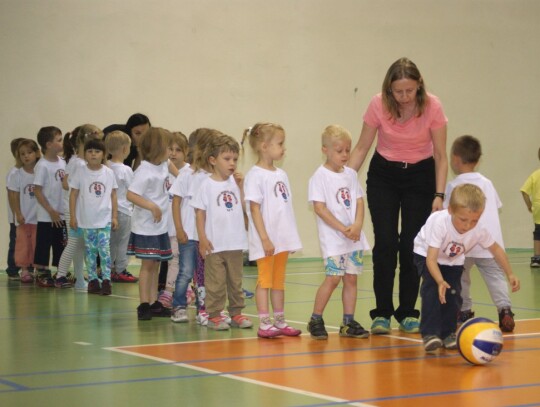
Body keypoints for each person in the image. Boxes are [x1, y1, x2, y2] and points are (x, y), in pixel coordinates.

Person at [348, 57, 448, 334]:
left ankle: (407, 311)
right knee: (386, 243)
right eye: (398, 91)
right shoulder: (378, 104)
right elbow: (361, 149)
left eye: (409, 90)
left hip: (421, 176)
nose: (404, 97)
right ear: (389, 90)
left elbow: (441, 155)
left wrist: (439, 194)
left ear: (419, 86)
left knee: (411, 246)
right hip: (384, 175)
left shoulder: (433, 107)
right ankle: (382, 312)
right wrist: (340, 182)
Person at [413, 184, 520, 352]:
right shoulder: (439, 222)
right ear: (450, 211)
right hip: (426, 255)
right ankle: (430, 334)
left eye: (474, 220)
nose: (468, 225)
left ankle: (448, 333)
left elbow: (496, 249)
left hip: (453, 260)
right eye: (463, 220)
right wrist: (440, 280)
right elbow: (431, 259)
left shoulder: (478, 229)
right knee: (432, 290)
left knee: (454, 294)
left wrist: (510, 273)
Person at [444, 135, 516, 332]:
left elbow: (447, 213)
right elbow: (497, 205)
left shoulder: (453, 185)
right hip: (489, 242)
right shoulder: (487, 183)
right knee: (495, 276)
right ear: (477, 160)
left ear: (455, 159)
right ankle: (505, 310)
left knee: (461, 277)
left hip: (464, 241)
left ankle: (465, 310)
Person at [307, 125, 371, 340]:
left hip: (353, 238)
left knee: (351, 279)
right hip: (334, 239)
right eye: (339, 151)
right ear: (325, 149)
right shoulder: (319, 176)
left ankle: (348, 322)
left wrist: (357, 225)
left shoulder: (351, 175)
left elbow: (359, 201)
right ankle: (316, 318)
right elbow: (319, 208)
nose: (345, 155)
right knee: (333, 279)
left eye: (347, 150)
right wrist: (343, 228)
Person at [241, 122, 302, 338]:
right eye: (280, 143)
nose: (283, 148)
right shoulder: (255, 175)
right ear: (264, 146)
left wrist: (289, 238)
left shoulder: (281, 174)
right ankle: (264, 322)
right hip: (265, 240)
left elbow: (285, 209)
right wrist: (265, 238)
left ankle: (280, 321)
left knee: (278, 282)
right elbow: (254, 209)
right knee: (265, 280)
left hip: (281, 240)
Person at [192, 134, 252, 331]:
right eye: (227, 159)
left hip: (235, 242)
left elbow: (244, 207)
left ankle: (236, 313)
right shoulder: (206, 185)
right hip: (215, 244)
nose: (232, 163)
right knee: (215, 282)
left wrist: (242, 186)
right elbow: (199, 213)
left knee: (236, 282)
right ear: (213, 160)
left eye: (235, 159)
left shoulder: (236, 183)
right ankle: (214, 315)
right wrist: (202, 238)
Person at [170, 128, 221, 325]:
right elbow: (175, 203)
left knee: (206, 275)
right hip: (189, 235)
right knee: (185, 271)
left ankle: (204, 308)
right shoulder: (186, 175)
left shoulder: (215, 177)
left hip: (206, 237)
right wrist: (180, 229)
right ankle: (179, 306)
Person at [126, 127, 173, 320]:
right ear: (157, 148)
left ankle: (154, 302)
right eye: (169, 147)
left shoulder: (165, 164)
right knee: (147, 266)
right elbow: (131, 194)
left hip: (160, 226)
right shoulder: (144, 171)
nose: (172, 151)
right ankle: (143, 304)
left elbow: (181, 176)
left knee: (156, 265)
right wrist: (151, 206)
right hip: (146, 226)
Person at [55, 125, 103, 289]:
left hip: (82, 210)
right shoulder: (77, 162)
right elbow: (65, 183)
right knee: (74, 242)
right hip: (72, 210)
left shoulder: (84, 162)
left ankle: (80, 278)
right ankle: (60, 275)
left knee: (81, 244)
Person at [70, 139, 118, 295]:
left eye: (97, 151)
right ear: (85, 154)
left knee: (104, 250)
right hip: (86, 219)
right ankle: (92, 280)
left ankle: (106, 280)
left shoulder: (109, 173)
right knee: (90, 251)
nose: (93, 154)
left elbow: (113, 194)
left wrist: (115, 216)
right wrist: (73, 216)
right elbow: (74, 194)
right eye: (90, 151)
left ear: (103, 154)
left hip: (104, 219)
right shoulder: (80, 172)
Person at [157, 131, 190, 311]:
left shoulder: (188, 171)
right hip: (165, 225)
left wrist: (174, 171)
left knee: (177, 261)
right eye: (170, 149)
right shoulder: (161, 169)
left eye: (178, 150)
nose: (173, 153)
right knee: (173, 260)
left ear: (186, 152)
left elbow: (186, 189)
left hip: (183, 226)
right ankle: (181, 290)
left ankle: (169, 293)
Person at [33, 126, 67, 287]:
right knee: (44, 244)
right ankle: (41, 272)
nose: (62, 143)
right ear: (48, 144)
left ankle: (60, 272)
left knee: (60, 243)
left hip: (61, 214)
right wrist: (50, 211)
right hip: (47, 215)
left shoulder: (63, 162)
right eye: (59, 140)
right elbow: (37, 191)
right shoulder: (42, 165)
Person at [105, 131, 138, 283]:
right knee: (123, 241)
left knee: (111, 241)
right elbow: (133, 189)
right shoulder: (125, 170)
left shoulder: (105, 167)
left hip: (109, 211)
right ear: (125, 149)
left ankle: (109, 268)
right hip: (123, 210)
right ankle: (120, 269)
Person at [7, 139, 41, 283]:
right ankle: (25, 270)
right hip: (24, 218)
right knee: (23, 246)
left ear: (36, 153)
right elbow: (13, 195)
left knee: (38, 245)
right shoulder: (17, 175)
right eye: (22, 154)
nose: (26, 156)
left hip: (39, 217)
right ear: (18, 157)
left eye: (29, 152)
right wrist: (18, 213)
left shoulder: (41, 171)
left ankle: (39, 270)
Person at [5, 137, 25, 279]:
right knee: (16, 243)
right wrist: (15, 214)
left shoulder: (28, 171)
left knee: (27, 243)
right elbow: (11, 194)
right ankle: (12, 269)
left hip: (28, 216)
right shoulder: (14, 173)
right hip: (16, 217)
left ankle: (27, 267)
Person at [520, 147, 540, 268]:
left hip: (538, 206)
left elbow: (524, 191)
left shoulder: (535, 174)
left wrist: (529, 205)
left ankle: (536, 258)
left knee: (538, 232)